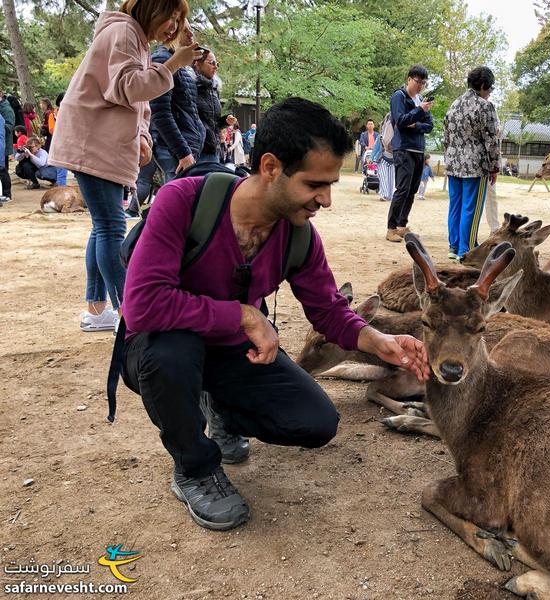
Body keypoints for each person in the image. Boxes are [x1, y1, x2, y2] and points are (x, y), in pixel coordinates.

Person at [121, 97, 430, 531]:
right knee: (172, 356)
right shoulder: (184, 201)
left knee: (316, 422)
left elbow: (327, 309)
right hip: (162, 345)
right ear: (270, 167)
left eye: (331, 185)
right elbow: (143, 305)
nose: (325, 200)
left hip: (233, 354)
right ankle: (194, 467)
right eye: (314, 184)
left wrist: (380, 343)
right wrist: (245, 316)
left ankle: (222, 408)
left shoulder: (298, 236)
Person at [49, 0, 200, 332]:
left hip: (102, 144)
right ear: (151, 8)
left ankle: (97, 309)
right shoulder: (123, 32)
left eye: (179, 20)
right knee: (111, 229)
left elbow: (136, 99)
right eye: (171, 17)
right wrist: (174, 63)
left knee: (103, 228)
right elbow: (126, 87)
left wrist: (142, 134)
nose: (174, 26)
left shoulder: (135, 39)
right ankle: (129, 315)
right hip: (94, 144)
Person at [443, 66, 501, 260]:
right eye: (490, 88)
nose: (490, 92)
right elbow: (491, 141)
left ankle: (454, 246)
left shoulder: (454, 104)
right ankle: (465, 249)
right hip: (476, 165)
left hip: (453, 163)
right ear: (483, 86)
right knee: (472, 208)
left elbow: (447, 137)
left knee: (456, 206)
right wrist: (494, 166)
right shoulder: (485, 107)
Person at [148, 22, 205, 181]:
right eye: (185, 31)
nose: (191, 35)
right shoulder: (163, 59)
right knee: (178, 201)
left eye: (191, 31)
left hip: (187, 147)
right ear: (172, 33)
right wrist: (183, 152)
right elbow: (159, 113)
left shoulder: (184, 67)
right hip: (174, 151)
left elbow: (189, 109)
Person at [386, 64, 433, 243]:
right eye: (417, 81)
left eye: (423, 82)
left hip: (419, 150)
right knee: (402, 189)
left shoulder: (421, 99)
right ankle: (391, 228)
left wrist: (415, 124)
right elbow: (400, 121)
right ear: (409, 79)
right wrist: (419, 110)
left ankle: (401, 225)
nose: (420, 85)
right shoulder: (399, 96)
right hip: (403, 148)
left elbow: (429, 126)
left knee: (412, 190)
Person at [193, 49, 225, 163]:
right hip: (196, 150)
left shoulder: (214, 90)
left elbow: (214, 122)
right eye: (211, 63)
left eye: (217, 64)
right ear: (197, 63)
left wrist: (225, 121)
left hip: (213, 149)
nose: (215, 67)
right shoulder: (190, 86)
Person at [372, 124, 394, 202]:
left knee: (392, 179)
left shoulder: (397, 137)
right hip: (383, 159)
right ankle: (384, 195)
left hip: (394, 161)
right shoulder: (380, 137)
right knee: (383, 177)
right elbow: (376, 148)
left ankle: (391, 196)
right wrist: (372, 158)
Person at [0, 88, 14, 204]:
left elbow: (9, 125)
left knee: (3, 169)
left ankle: (7, 193)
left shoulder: (6, 109)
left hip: (3, 144)